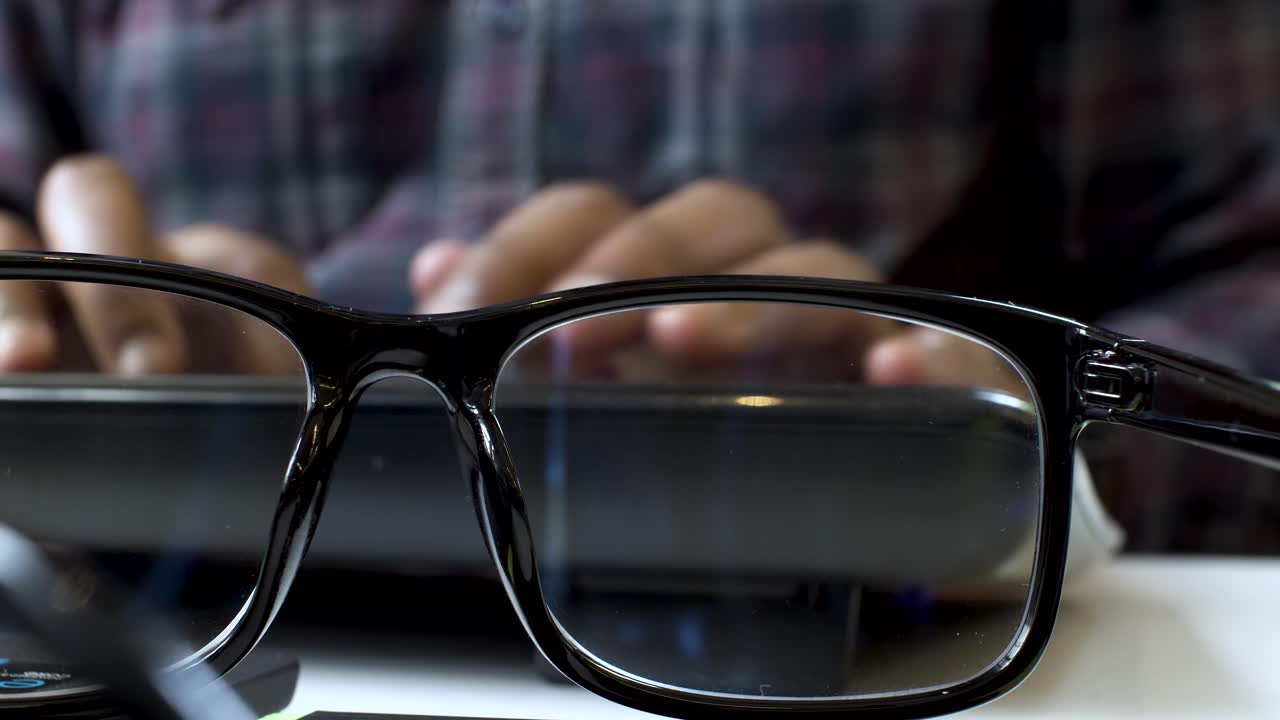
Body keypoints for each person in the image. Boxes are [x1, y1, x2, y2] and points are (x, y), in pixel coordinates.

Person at [0, 1, 1276, 546]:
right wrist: (74, 346)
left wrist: (1006, 446)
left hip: (910, 628)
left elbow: (1249, 268)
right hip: (158, 601)